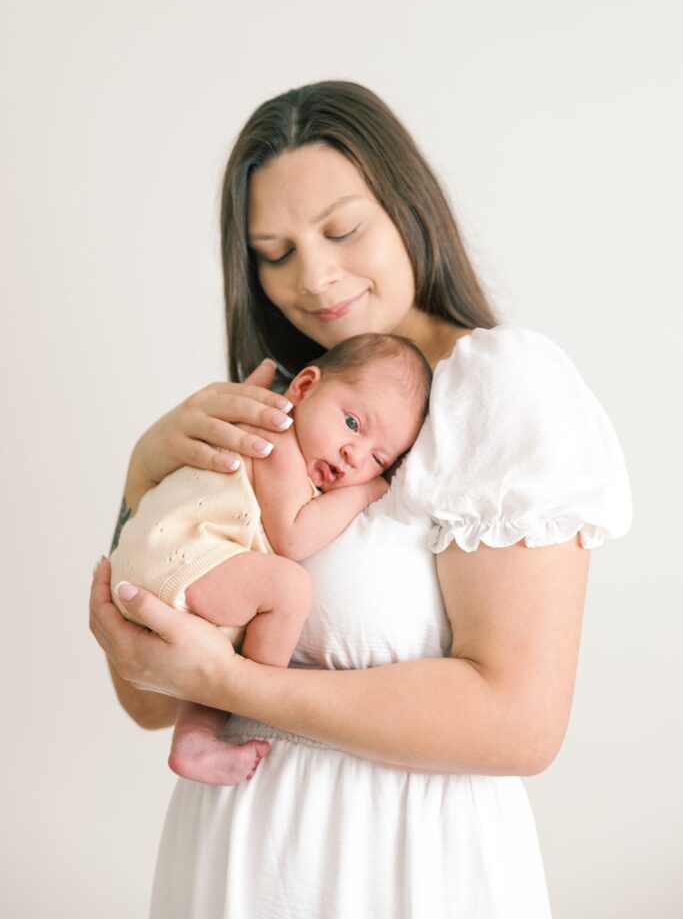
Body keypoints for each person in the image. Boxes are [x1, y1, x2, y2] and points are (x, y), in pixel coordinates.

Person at [89, 80, 631, 918]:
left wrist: (234, 685)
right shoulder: (266, 412)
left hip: (396, 867)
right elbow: (149, 698)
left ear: (408, 210)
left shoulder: (498, 387)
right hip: (226, 861)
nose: (314, 276)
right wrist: (137, 486)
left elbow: (520, 724)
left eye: (342, 230)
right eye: (274, 253)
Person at [109, 332, 431, 786]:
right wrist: (367, 489)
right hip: (176, 558)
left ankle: (196, 740)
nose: (353, 453)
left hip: (174, 565)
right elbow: (294, 537)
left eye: (378, 458)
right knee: (289, 587)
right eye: (353, 424)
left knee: (223, 654)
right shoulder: (277, 438)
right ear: (302, 389)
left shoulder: (299, 446)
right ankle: (255, 710)